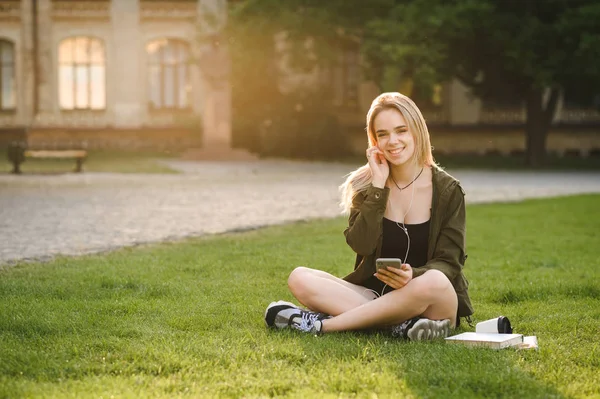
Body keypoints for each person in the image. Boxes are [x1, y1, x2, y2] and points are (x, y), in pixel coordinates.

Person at [264, 92, 474, 340]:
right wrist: (378, 186)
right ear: (373, 140)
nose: (392, 141)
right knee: (299, 277)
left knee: (434, 280)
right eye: (382, 134)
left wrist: (413, 275)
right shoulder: (366, 185)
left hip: (432, 303)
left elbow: (449, 262)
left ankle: (323, 325)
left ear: (417, 131)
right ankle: (400, 327)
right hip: (374, 295)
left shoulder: (449, 191)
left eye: (401, 130)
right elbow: (361, 244)